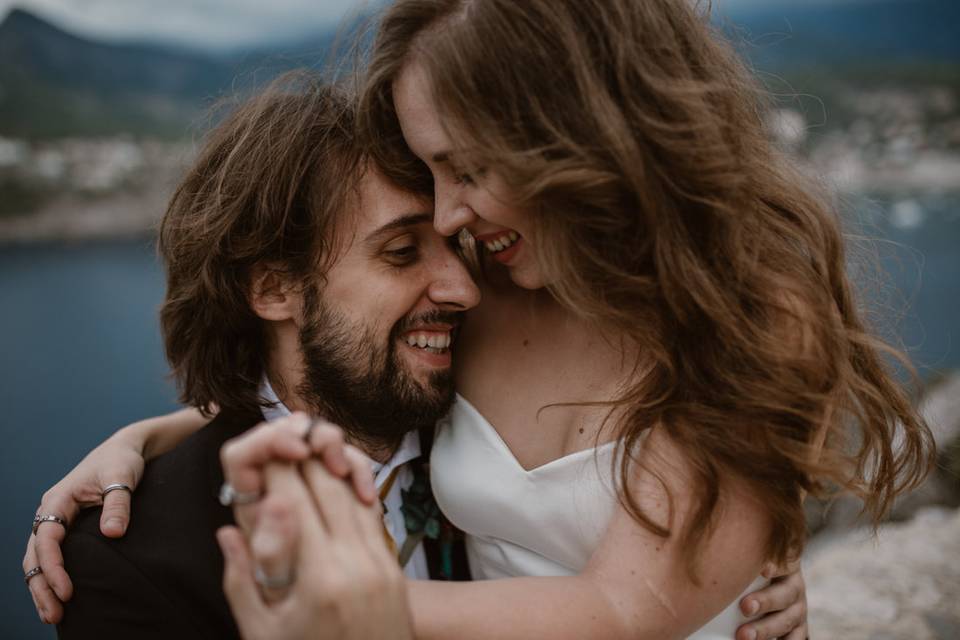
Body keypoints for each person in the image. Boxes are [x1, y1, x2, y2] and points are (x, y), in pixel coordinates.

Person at [24, 0, 925, 637]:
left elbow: (625, 608)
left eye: (465, 167)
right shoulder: (497, 290)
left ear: (575, 137)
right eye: (429, 177)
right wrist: (150, 440)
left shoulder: (742, 318)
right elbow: (349, 386)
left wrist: (334, 613)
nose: (452, 220)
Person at [39, 73, 478, 638]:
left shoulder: (495, 432)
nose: (464, 289)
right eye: (400, 251)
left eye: (457, 244)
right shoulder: (129, 563)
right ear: (273, 290)